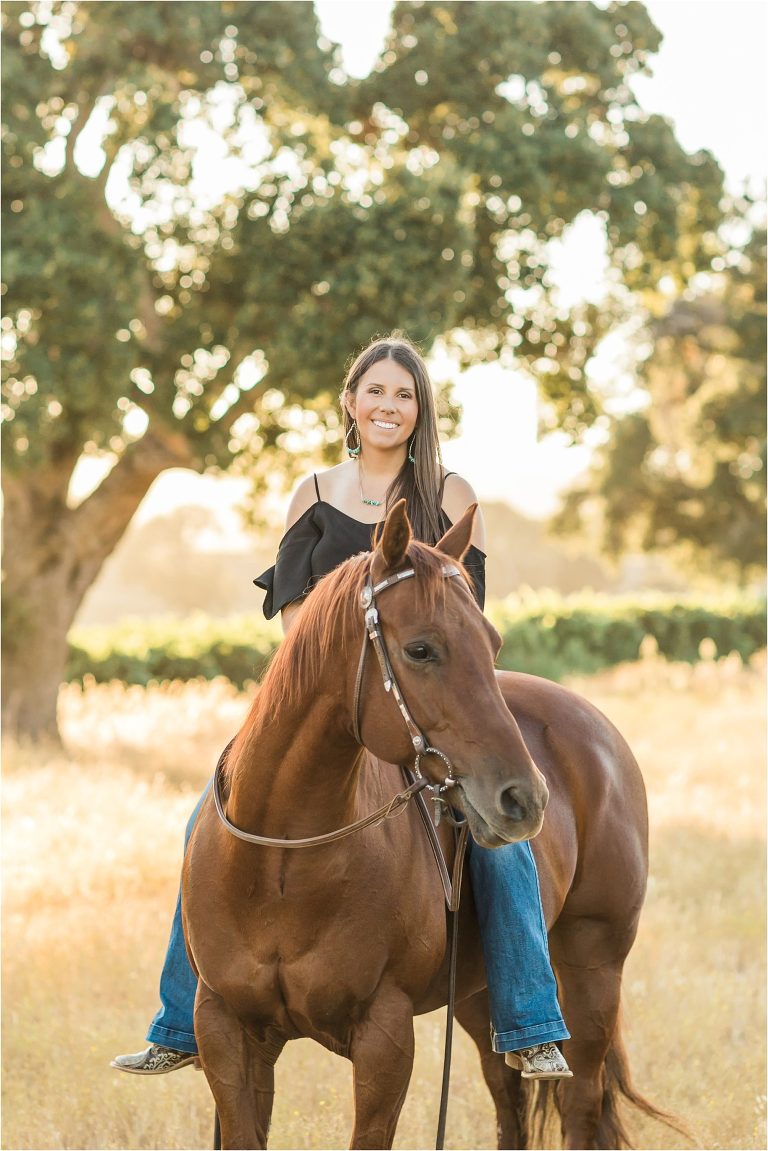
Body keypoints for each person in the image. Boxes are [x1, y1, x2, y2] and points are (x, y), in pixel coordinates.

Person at [112, 334, 572, 1082]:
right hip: (321, 698)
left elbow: (459, 623)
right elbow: (296, 621)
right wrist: (341, 681)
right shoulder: (315, 493)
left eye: (405, 395)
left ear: (420, 411)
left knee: (498, 833)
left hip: (417, 697)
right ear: (351, 403)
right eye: (376, 392)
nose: (389, 406)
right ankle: (178, 1019)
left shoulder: (450, 497)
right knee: (209, 813)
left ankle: (527, 1019)